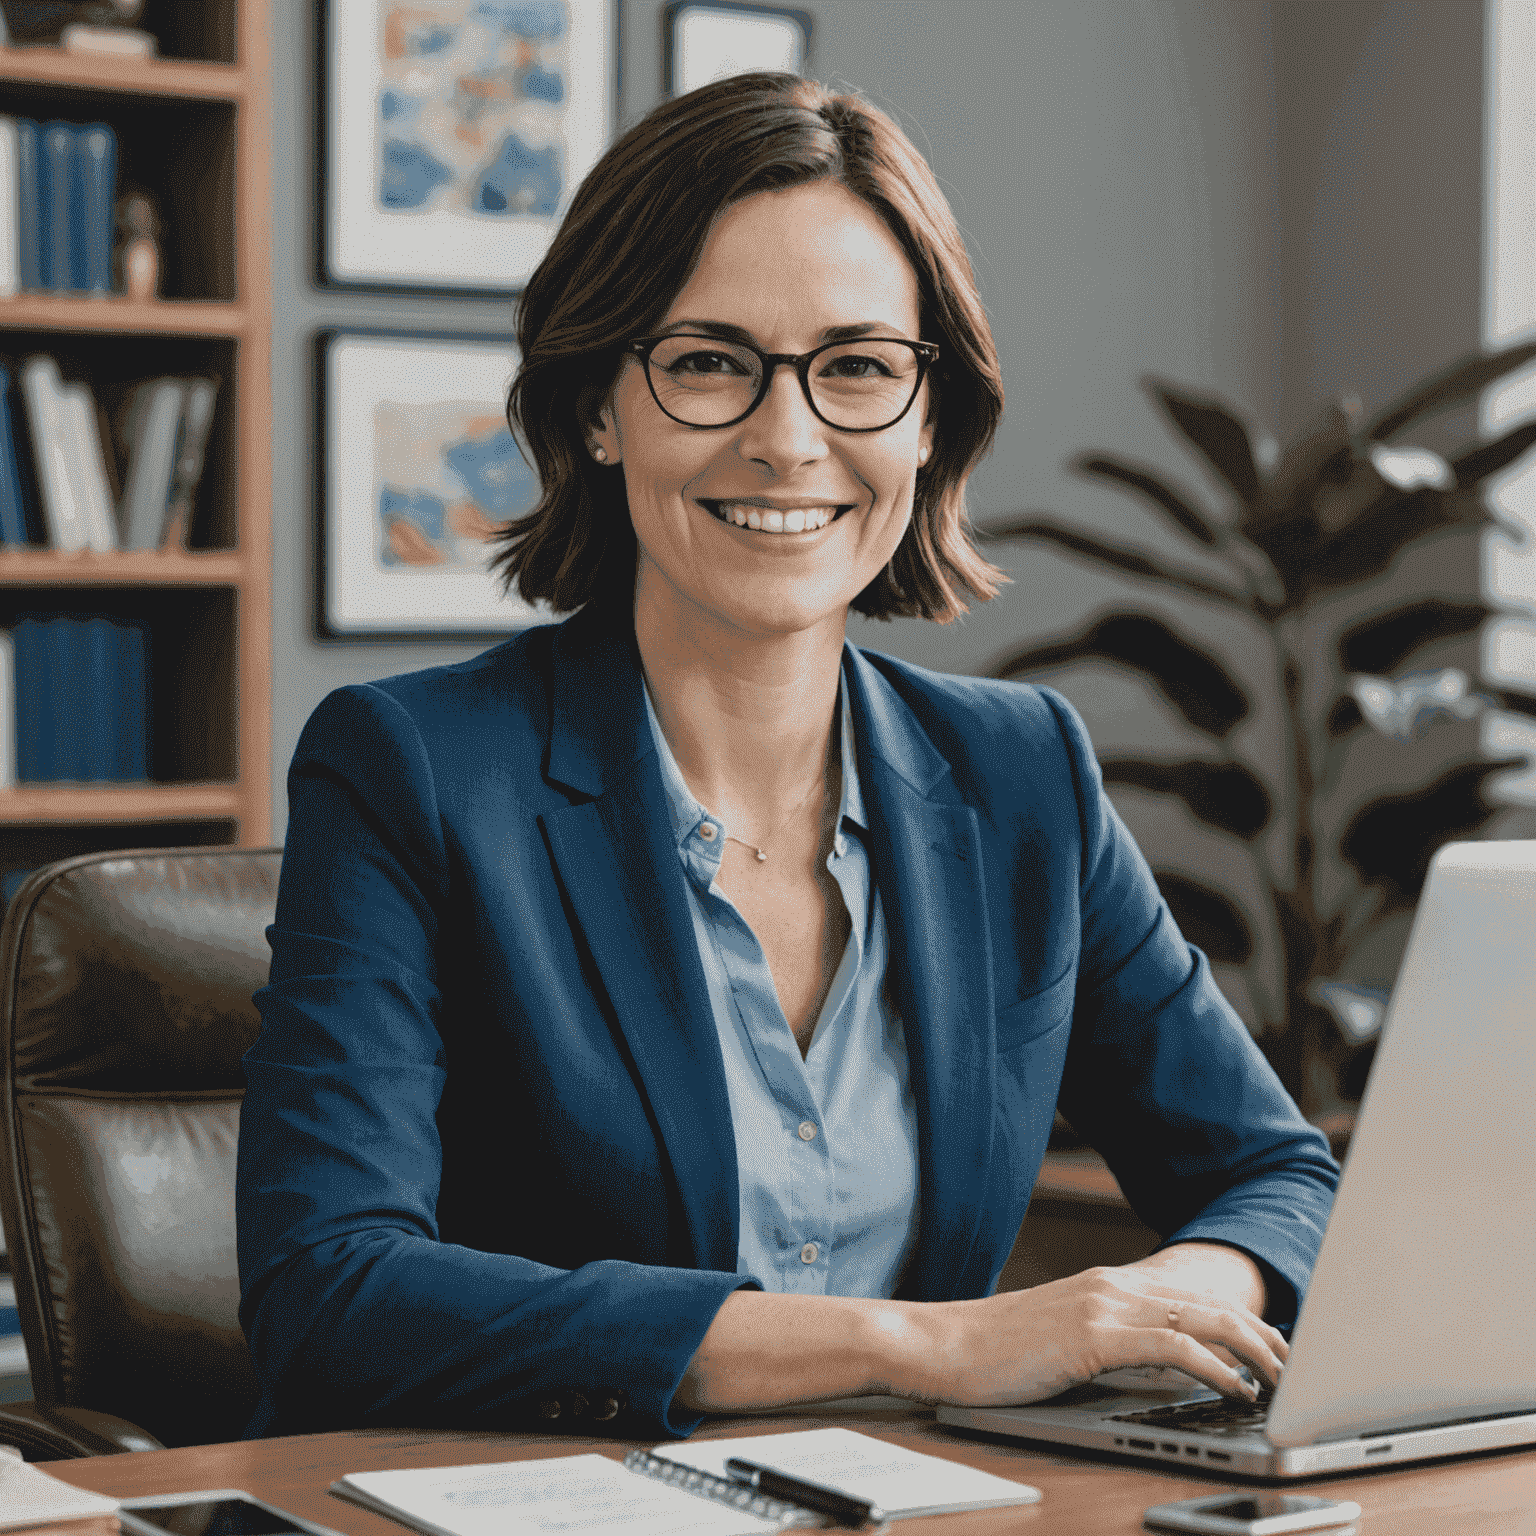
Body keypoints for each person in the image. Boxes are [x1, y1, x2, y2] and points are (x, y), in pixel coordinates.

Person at [236, 72, 1338, 1440]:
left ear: (930, 421)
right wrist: (925, 1345)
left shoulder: (1021, 777)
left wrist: (1177, 1297)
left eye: (859, 366)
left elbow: (1285, 1177)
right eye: (708, 362)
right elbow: (329, 1295)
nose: (789, 436)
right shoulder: (411, 770)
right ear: (599, 407)